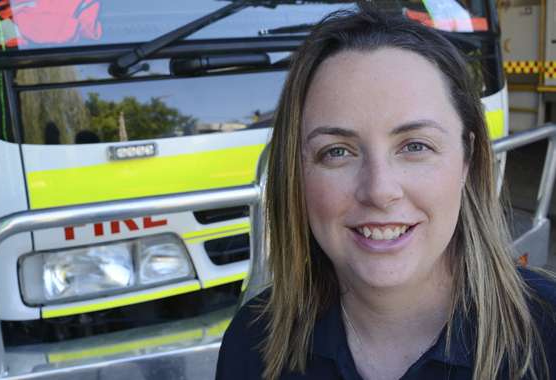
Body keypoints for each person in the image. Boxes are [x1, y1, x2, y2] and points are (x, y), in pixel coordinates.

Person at [216, 4, 556, 380]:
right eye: (337, 152)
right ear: (295, 173)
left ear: (467, 159)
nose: (379, 191)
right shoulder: (252, 343)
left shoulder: (549, 331)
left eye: (415, 146)